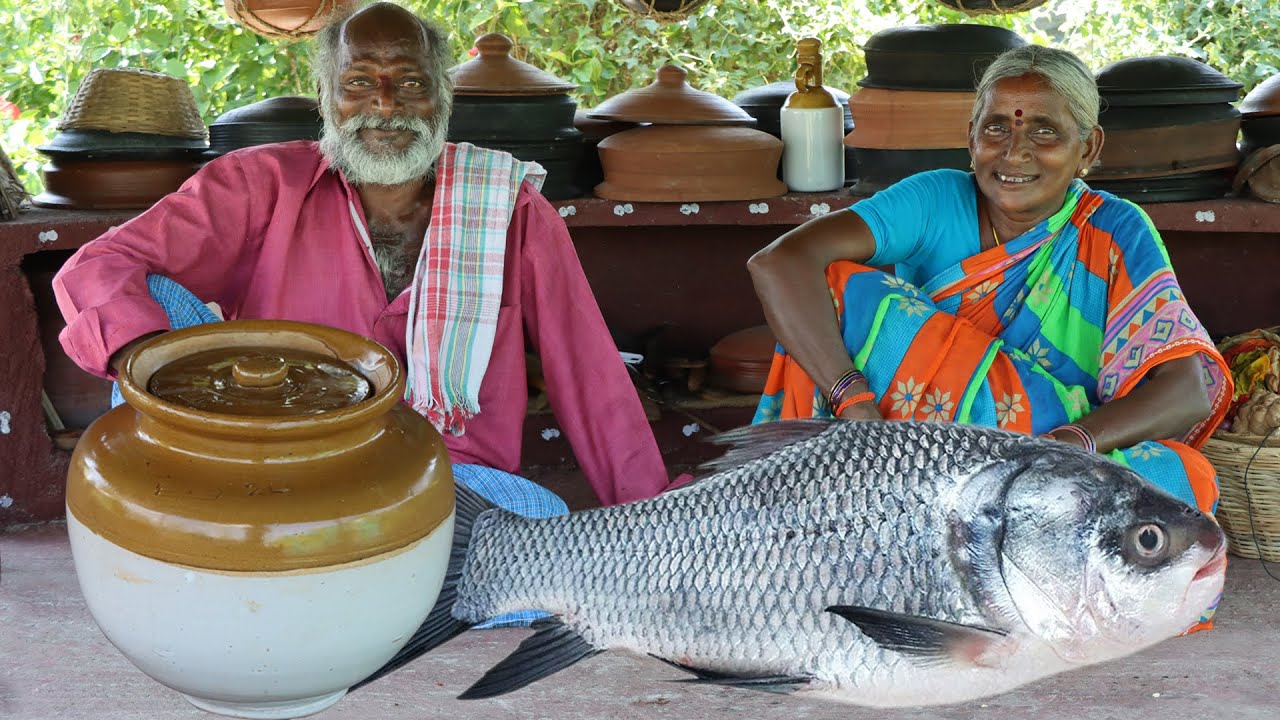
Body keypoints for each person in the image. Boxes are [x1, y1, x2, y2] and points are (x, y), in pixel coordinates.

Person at [53, 2, 678, 577]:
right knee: (152, 300)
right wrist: (168, 387)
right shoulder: (257, 183)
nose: (384, 104)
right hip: (282, 465)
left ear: (442, 98)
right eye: (358, 83)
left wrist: (653, 527)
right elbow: (97, 266)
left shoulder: (505, 207)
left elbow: (588, 371)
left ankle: (315, 567)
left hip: (439, 477)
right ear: (326, 97)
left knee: (540, 528)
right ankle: (212, 524)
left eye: (410, 83)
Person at [746, 45, 1233, 631]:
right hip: (912, 453)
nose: (1014, 152)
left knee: (1181, 483)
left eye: (1045, 131)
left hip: (1050, 457)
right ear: (970, 137)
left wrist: (1061, 449)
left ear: (1089, 148)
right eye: (996, 128)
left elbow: (1186, 393)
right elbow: (779, 263)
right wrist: (854, 403)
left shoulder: (1115, 229)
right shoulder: (935, 199)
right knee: (843, 287)